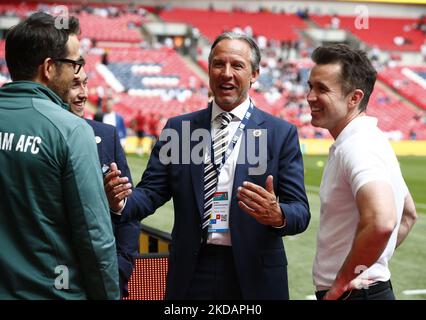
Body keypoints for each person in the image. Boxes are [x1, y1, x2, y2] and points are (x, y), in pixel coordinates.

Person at [104, 32, 310, 300]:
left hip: (254, 274)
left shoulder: (280, 133)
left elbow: (300, 212)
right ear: (208, 68)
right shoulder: (180, 130)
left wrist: (278, 214)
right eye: (218, 64)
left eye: (237, 65)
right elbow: (151, 193)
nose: (226, 73)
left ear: (255, 74)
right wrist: (118, 202)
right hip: (192, 270)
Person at [0, 12, 119, 299]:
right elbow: (94, 237)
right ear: (49, 68)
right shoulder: (71, 130)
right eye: (75, 63)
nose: (78, 72)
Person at [307, 44, 418, 300]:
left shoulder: (358, 145)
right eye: (310, 86)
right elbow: (408, 215)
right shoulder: (368, 139)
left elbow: (382, 221)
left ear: (354, 98)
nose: (310, 96)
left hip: (355, 295)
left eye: (322, 89)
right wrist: (368, 263)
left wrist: (343, 282)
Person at [67, 68, 140, 298]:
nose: (83, 94)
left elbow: (128, 210)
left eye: (85, 84)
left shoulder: (107, 135)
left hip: (105, 278)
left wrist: (121, 266)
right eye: (74, 85)